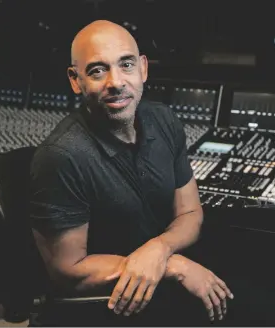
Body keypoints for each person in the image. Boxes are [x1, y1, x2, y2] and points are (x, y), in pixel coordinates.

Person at [29, 20, 233, 326]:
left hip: (161, 288)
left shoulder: (164, 119)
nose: (116, 81)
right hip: (111, 305)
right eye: (98, 70)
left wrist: (159, 248)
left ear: (143, 69)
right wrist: (173, 265)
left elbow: (190, 212)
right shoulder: (61, 157)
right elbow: (67, 270)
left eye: (126, 65)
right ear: (75, 80)